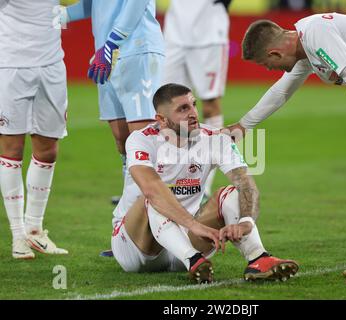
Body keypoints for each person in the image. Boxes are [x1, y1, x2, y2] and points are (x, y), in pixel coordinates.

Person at [227, 14, 346, 284]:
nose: (270, 69)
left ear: (274, 51)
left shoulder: (316, 35)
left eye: (266, 64)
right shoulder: (307, 42)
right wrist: (244, 125)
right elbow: (282, 91)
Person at [110, 83, 299, 282]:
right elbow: (151, 189)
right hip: (136, 247)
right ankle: (192, 260)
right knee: (155, 196)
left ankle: (258, 258)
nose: (193, 113)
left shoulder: (215, 138)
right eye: (183, 109)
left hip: (183, 241)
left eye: (193, 105)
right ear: (161, 120)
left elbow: (245, 184)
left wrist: (245, 222)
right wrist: (193, 224)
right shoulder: (141, 140)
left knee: (230, 193)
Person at [62, 0, 165, 256]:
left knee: (143, 143)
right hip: (105, 54)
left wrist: (111, 43)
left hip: (135, 48)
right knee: (123, 141)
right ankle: (130, 232)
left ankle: (149, 231)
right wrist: (54, 17)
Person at [0, 0, 69, 259]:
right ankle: (17, 235)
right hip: (11, 65)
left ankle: (34, 230)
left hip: (51, 64)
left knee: (48, 149)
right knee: (11, 148)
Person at [162, 0, 232, 199]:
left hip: (209, 33)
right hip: (174, 33)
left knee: (210, 105)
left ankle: (203, 187)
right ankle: (169, 181)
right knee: (170, 104)